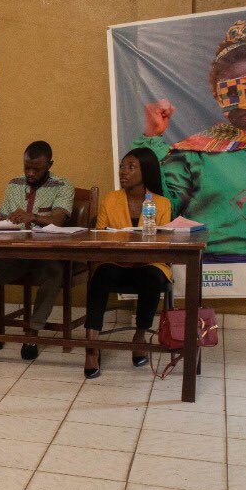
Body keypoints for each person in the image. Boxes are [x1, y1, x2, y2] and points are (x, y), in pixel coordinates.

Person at [133, 20, 246, 261]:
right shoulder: (194, 153)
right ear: (217, 96)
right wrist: (152, 138)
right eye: (235, 91)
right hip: (219, 268)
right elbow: (161, 207)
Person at [0, 140, 74, 360]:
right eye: (27, 167)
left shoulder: (63, 186)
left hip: (46, 254)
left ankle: (32, 334)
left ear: (50, 165)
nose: (30, 173)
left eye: (37, 169)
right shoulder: (14, 185)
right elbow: (3, 216)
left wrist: (32, 217)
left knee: (53, 275)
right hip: (16, 253)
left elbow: (59, 220)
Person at [84, 149, 172, 378]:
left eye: (131, 167)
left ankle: (139, 336)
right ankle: (91, 346)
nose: (123, 171)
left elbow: (163, 242)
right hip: (116, 262)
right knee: (100, 275)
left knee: (152, 277)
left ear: (146, 171)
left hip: (149, 264)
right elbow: (100, 235)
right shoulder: (110, 199)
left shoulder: (161, 203)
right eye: (122, 166)